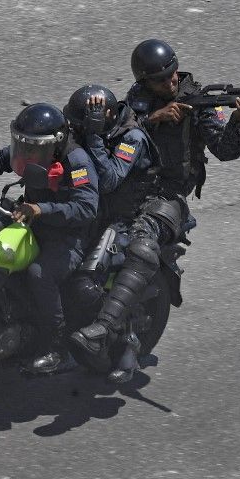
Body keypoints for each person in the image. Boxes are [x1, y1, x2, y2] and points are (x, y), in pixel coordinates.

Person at [62, 85, 189, 382]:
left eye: (84, 125)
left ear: (103, 118)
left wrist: (92, 135)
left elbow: (109, 179)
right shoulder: (97, 128)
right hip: (99, 208)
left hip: (137, 209)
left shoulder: (130, 138)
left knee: (104, 268)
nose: (78, 130)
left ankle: (120, 335)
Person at [0, 103, 99, 375]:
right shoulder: (32, 149)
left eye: (33, 147)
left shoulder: (77, 163)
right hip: (31, 220)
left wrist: (42, 209)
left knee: (40, 274)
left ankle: (56, 348)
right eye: (23, 145)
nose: (26, 152)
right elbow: (1, 159)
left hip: (67, 236)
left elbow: (86, 208)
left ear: (55, 144)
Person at [124, 39, 240, 202]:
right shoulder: (138, 95)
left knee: (146, 227)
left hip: (172, 189)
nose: (169, 83)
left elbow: (226, 151)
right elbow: (118, 134)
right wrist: (153, 118)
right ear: (145, 82)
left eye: (171, 75)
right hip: (135, 180)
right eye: (159, 80)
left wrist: (237, 118)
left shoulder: (199, 102)